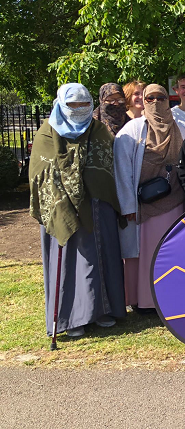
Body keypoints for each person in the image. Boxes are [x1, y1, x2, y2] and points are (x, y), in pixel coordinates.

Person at [29, 83, 126, 337]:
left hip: (97, 206)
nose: (78, 109)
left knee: (101, 257)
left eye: (84, 104)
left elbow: (106, 164)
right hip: (62, 206)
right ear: (61, 103)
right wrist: (68, 195)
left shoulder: (99, 131)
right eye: (72, 104)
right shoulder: (47, 133)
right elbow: (41, 173)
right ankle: (72, 318)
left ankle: (103, 310)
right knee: (73, 260)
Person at [114, 84, 185, 311]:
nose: (156, 102)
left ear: (169, 100)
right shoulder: (131, 130)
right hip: (143, 206)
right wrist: (128, 205)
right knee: (145, 253)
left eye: (161, 97)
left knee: (171, 252)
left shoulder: (181, 129)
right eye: (150, 98)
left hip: (175, 202)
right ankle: (144, 302)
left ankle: (170, 297)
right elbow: (122, 171)